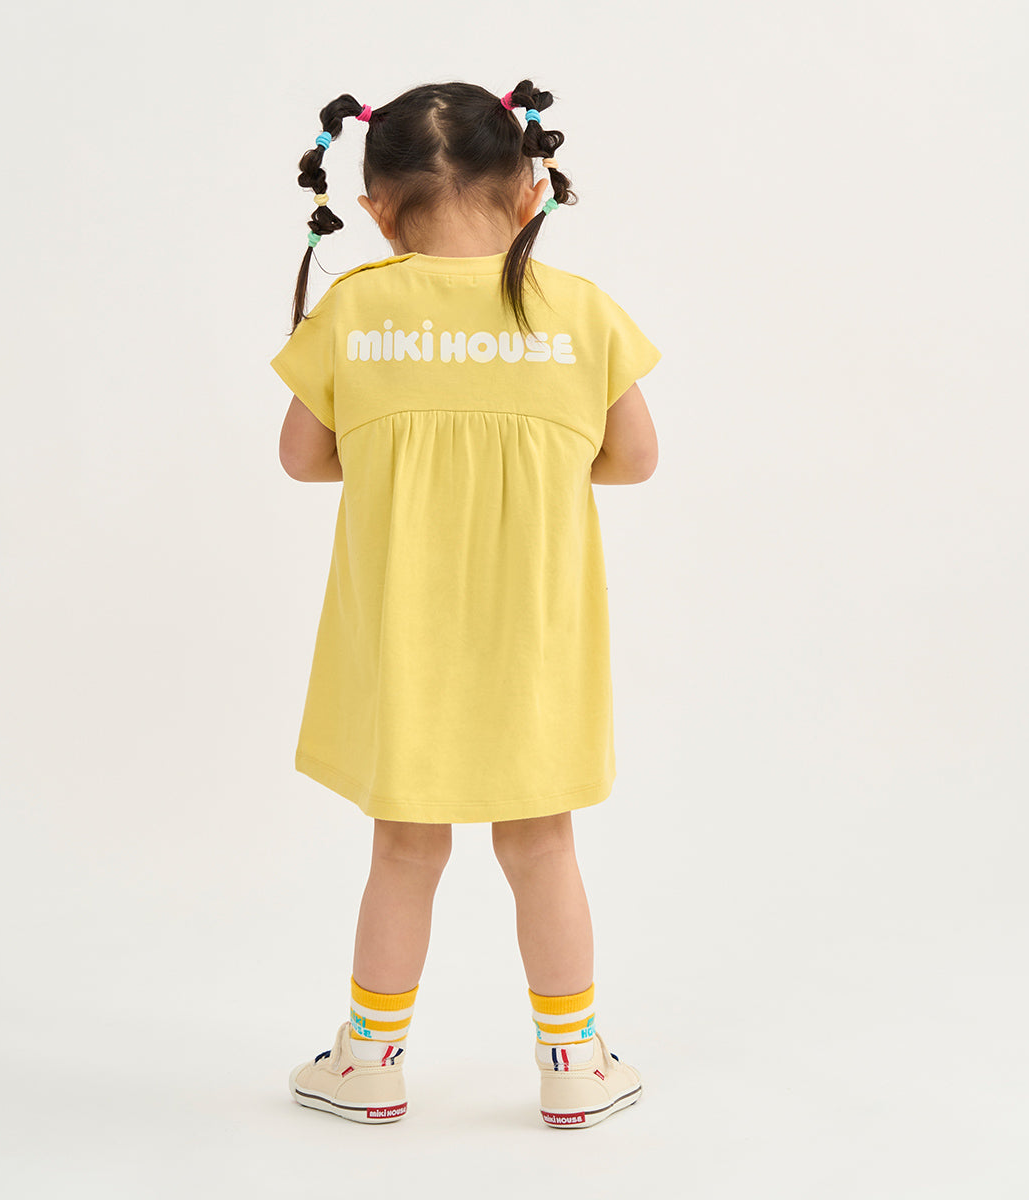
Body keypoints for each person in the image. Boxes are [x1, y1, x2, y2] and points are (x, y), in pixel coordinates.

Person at [270, 80, 660, 1129]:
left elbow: (301, 457)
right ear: (532, 190)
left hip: (406, 640)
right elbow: (635, 458)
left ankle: (369, 1062)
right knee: (543, 847)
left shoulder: (357, 310)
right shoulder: (578, 310)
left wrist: (398, 452)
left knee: (405, 850)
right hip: (536, 637)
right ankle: (574, 1064)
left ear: (377, 210)